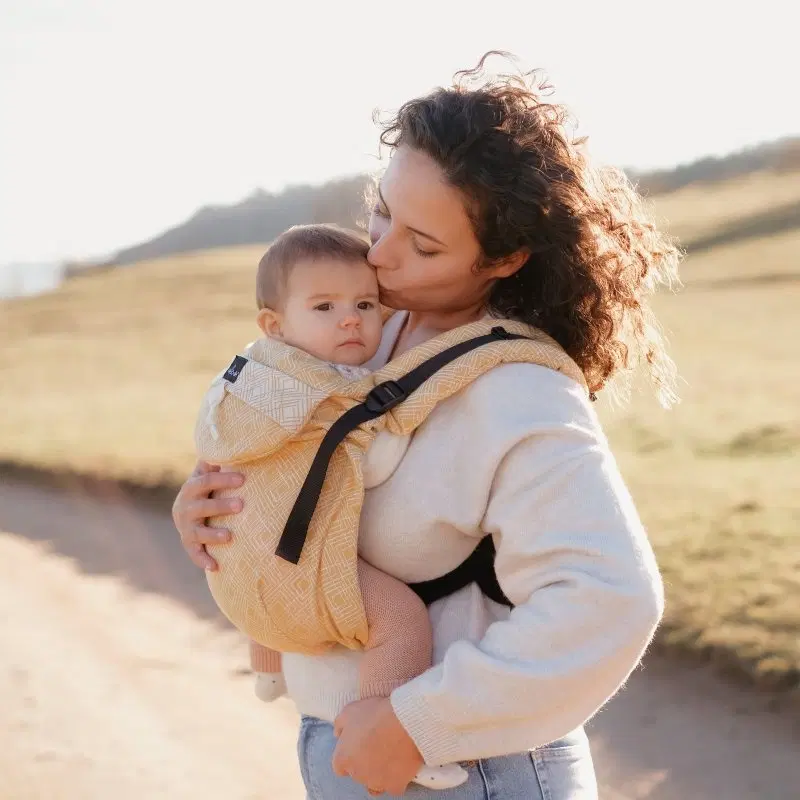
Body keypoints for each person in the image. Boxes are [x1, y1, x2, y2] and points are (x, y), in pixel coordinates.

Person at [172, 52, 680, 798]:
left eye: (424, 243)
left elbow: (610, 597)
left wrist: (419, 723)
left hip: (469, 772)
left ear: (504, 257)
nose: (378, 253)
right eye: (382, 212)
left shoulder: (518, 391)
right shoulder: (358, 339)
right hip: (342, 744)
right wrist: (210, 514)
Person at [198, 222, 469, 790]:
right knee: (399, 621)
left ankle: (269, 669)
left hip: (245, 565)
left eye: (366, 304)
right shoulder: (332, 388)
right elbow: (373, 462)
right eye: (324, 306)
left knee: (270, 553)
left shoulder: (246, 379)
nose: (351, 319)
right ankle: (382, 728)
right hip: (287, 560)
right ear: (275, 325)